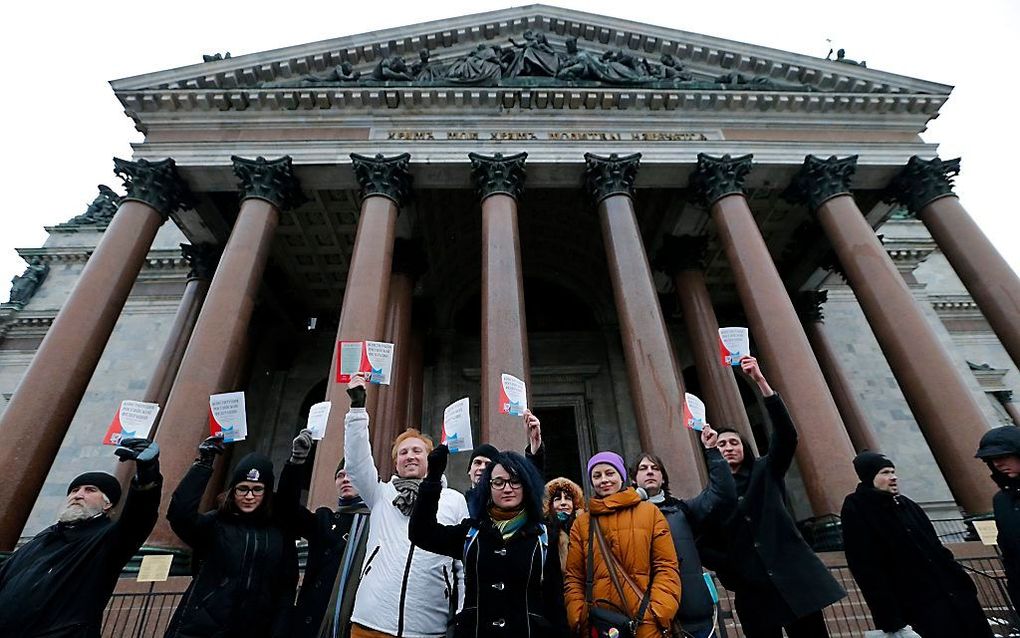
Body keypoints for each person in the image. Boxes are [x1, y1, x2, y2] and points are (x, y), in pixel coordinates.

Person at [697, 356, 845, 638]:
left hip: (793, 579)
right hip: (754, 590)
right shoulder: (711, 496)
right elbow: (702, 543)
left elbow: (787, 436)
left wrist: (761, 382)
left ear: (744, 447)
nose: (728, 448)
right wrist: (733, 565)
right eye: (722, 444)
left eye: (734, 442)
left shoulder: (765, 470)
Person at [342, 372, 469, 638]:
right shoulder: (380, 494)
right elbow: (356, 462)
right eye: (403, 452)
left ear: (429, 459)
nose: (410, 456)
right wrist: (357, 409)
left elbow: (462, 563)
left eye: (417, 451)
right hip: (371, 623)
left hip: (426, 627)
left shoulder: (454, 500)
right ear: (396, 462)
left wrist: (462, 613)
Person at [0, 438, 161, 638]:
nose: (78, 495)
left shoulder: (105, 540)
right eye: (75, 490)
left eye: (90, 490)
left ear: (107, 504)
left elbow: (138, 519)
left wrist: (147, 473)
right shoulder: (41, 540)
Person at [409, 445, 569, 637]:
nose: (507, 488)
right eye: (499, 482)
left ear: (525, 485)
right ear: (488, 487)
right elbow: (421, 533)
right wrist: (433, 477)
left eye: (515, 481)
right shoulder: (472, 533)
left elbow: (555, 602)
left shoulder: (542, 536)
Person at [841, 452, 992, 638]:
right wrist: (888, 617)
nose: (893, 477)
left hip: (954, 595)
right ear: (869, 476)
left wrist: (963, 583)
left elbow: (938, 549)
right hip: (917, 604)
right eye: (885, 472)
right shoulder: (856, 507)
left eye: (893, 471)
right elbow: (865, 567)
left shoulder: (908, 505)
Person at [164, 439, 297, 638]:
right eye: (242, 488)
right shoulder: (216, 523)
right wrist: (203, 464)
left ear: (267, 492)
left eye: (257, 489)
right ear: (233, 491)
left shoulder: (279, 534)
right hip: (202, 629)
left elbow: (286, 588)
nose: (249, 496)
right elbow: (180, 515)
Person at [633, 422, 737, 638]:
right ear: (633, 478)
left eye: (655, 469)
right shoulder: (625, 517)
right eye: (643, 469)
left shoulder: (682, 509)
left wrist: (712, 451)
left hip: (694, 614)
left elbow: (722, 494)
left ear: (663, 478)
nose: (650, 472)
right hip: (650, 617)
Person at [563, 451, 681, 638]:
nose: (604, 480)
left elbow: (666, 566)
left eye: (610, 473)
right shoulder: (582, 523)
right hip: (600, 626)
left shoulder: (650, 513)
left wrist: (659, 612)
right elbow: (574, 576)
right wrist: (578, 616)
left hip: (644, 623)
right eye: (597, 475)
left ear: (622, 476)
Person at [278, 429, 371, 638]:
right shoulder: (324, 519)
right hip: (311, 621)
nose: (345, 479)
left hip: (352, 621)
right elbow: (286, 509)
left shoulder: (377, 522)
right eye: (340, 475)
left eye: (352, 474)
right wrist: (297, 461)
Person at [976, 425, 1020, 607]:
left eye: (1003, 456)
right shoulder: (1002, 501)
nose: (997, 464)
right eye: (991, 459)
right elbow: (1009, 552)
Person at [467, 410, 545, 488]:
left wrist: (535, 441)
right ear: (469, 470)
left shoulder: (505, 498)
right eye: (477, 462)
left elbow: (534, 480)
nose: (482, 468)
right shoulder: (459, 499)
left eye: (488, 464)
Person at [543, 477, 585, 573]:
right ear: (549, 505)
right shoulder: (543, 533)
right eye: (557, 499)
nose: (563, 503)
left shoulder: (585, 529)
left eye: (568, 498)